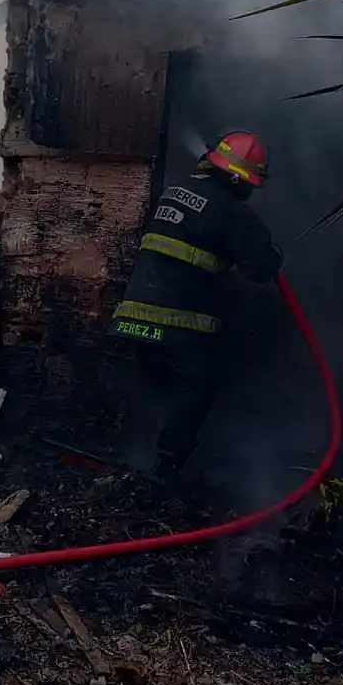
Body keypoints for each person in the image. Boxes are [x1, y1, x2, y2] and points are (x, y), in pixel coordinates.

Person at [108, 129, 282, 482]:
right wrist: (271, 249)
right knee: (202, 380)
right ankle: (166, 467)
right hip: (175, 323)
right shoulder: (233, 212)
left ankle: (129, 459)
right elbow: (261, 268)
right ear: (240, 179)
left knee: (152, 385)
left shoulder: (174, 191)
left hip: (131, 318)